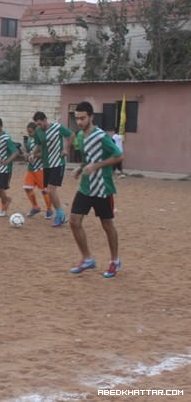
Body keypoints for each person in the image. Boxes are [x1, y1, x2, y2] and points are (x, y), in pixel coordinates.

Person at [69, 101, 123, 278]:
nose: (79, 121)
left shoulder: (101, 136)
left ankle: (115, 261)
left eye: (82, 118)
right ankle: (87, 259)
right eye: (77, 118)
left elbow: (118, 155)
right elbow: (89, 158)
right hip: (86, 187)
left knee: (107, 225)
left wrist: (96, 166)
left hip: (102, 188)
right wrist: (81, 167)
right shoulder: (80, 136)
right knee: (74, 221)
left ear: (91, 117)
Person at [32, 111, 75, 227]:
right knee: (48, 191)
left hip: (58, 163)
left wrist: (66, 149)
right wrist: (32, 154)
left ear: (45, 119)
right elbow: (38, 145)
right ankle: (61, 215)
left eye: (40, 123)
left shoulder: (57, 127)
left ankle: (60, 214)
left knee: (51, 190)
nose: (39, 126)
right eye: (37, 124)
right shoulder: (38, 131)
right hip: (46, 165)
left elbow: (71, 135)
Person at [0, 117, 19, 217]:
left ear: (1, 126)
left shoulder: (6, 138)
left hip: (5, 168)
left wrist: (7, 161)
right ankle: (7, 200)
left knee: (1, 189)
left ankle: (4, 209)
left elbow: (15, 152)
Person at [22, 122, 52, 218]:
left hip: (40, 169)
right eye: (28, 132)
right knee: (27, 188)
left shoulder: (42, 140)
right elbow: (24, 148)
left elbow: (45, 154)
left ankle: (49, 210)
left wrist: (33, 155)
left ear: (36, 131)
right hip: (31, 169)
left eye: (30, 132)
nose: (29, 134)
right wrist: (25, 154)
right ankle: (35, 207)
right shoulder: (30, 139)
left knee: (44, 190)